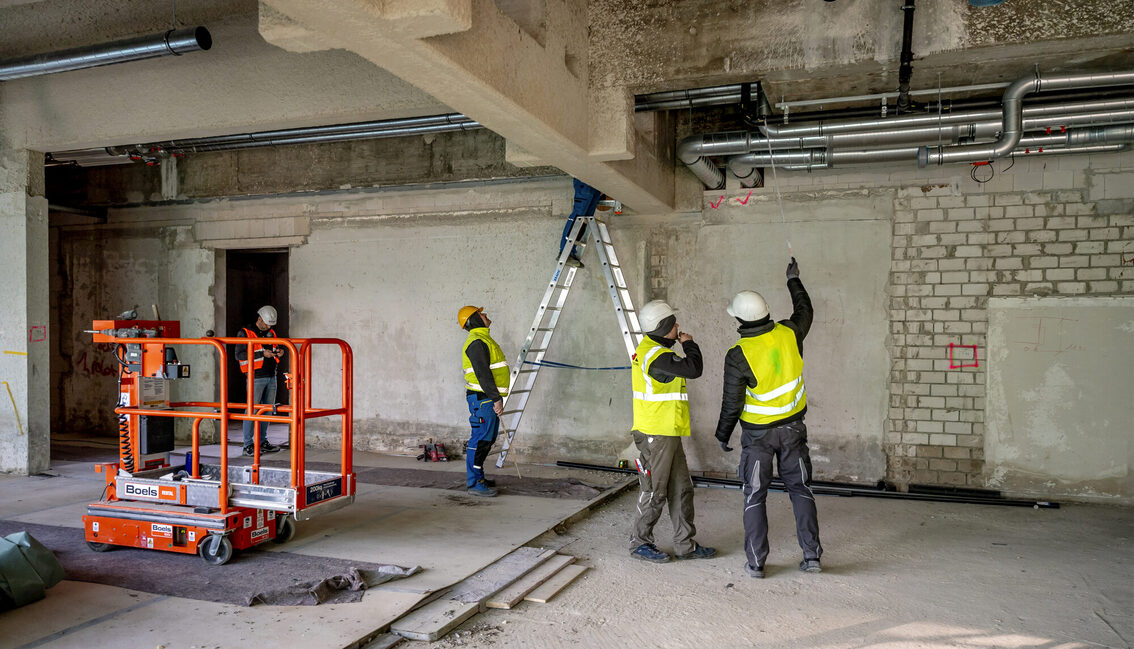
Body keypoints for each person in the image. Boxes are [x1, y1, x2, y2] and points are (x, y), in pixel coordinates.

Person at [714, 257, 822, 578]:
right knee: (801, 490)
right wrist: (793, 280)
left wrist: (723, 435)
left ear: (739, 321)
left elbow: (731, 404)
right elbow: (806, 310)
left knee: (755, 495)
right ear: (765, 313)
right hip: (793, 431)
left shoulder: (738, 355)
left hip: (758, 438)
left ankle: (757, 563)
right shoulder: (790, 333)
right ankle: (812, 556)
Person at [628, 300, 716, 563]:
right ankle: (639, 543)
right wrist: (688, 343)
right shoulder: (656, 356)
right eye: (672, 323)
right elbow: (693, 369)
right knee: (656, 490)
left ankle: (684, 544)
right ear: (662, 327)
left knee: (681, 488)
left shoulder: (654, 349)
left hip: (667, 431)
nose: (677, 326)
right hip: (656, 434)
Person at [458, 305, 510, 497]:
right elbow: (483, 374)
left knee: (486, 440)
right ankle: (474, 483)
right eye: (480, 313)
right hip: (483, 398)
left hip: (486, 398)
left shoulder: (483, 339)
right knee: (480, 440)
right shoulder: (477, 342)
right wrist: (496, 399)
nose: (486, 314)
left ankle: (478, 477)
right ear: (474, 320)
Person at [235, 305, 284, 457]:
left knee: (267, 410)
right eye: (266, 323)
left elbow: (276, 348)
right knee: (252, 410)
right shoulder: (245, 333)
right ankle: (248, 445)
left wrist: (279, 352)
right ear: (259, 319)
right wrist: (262, 354)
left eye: (271, 324)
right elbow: (240, 355)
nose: (269, 327)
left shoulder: (272, 332)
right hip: (255, 376)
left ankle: (263, 441)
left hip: (271, 375)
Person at [559, 179, 602, 267]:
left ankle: (571, 252)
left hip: (594, 184)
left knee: (584, 221)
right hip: (584, 182)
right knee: (577, 217)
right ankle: (565, 253)